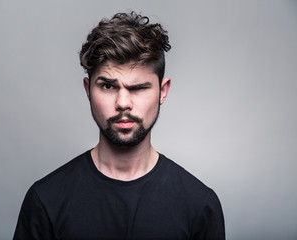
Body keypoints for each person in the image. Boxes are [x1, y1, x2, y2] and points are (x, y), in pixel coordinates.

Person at [13, 11, 225, 239]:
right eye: (108, 86)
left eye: (139, 88)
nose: (123, 103)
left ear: (163, 92)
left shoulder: (200, 206)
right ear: (88, 90)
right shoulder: (45, 200)